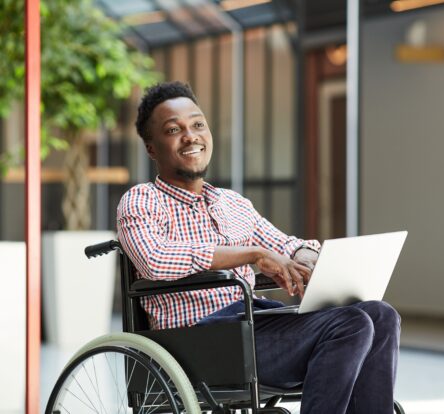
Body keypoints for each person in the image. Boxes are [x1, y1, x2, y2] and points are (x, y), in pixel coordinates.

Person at [117, 81, 401, 414]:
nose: (190, 135)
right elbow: (155, 261)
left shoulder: (233, 203)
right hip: (197, 341)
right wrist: (252, 254)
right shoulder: (141, 201)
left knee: (380, 315)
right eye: (173, 129)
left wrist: (307, 258)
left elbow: (284, 244)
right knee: (350, 325)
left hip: (252, 323)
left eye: (197, 125)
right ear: (152, 148)